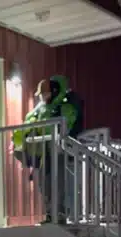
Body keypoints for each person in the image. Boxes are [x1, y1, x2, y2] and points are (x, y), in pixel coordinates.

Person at [11, 75, 85, 223]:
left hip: (59, 152)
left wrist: (41, 130)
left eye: (45, 94)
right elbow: (28, 123)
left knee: (60, 184)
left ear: (55, 91)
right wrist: (21, 141)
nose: (43, 98)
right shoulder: (40, 109)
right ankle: (51, 214)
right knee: (45, 185)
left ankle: (61, 214)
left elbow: (63, 126)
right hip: (43, 153)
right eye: (41, 95)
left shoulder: (64, 106)